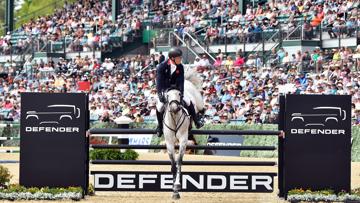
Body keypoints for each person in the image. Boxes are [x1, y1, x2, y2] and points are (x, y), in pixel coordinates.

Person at [156, 48, 204, 137]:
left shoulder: (180, 66)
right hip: (165, 89)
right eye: (179, 57)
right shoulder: (161, 67)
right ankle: (159, 126)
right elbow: (159, 82)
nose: (180, 59)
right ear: (172, 58)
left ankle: (196, 121)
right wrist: (160, 94)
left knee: (188, 101)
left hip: (177, 89)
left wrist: (181, 93)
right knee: (159, 107)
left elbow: (181, 81)